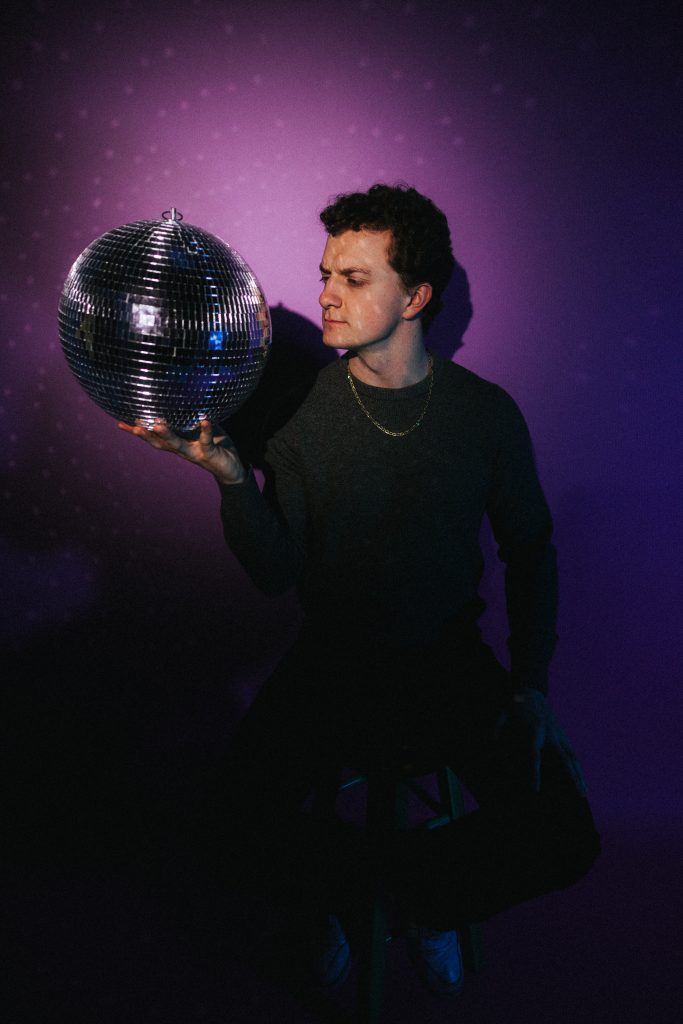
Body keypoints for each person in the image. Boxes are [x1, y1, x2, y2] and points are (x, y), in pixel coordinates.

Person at [119, 183, 600, 995]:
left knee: (565, 835)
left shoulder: (484, 415)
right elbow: (275, 574)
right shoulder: (296, 413)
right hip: (332, 662)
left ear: (414, 297)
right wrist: (233, 479)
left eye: (352, 278)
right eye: (324, 275)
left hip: (446, 660)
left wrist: (530, 686)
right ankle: (367, 900)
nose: (325, 295)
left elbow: (530, 552)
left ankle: (400, 901)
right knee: (221, 826)